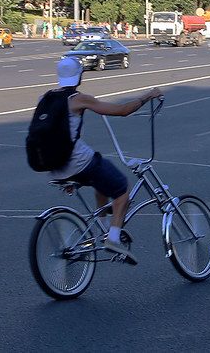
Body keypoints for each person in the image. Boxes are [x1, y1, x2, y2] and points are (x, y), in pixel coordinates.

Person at [45, 57, 162, 265]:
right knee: (122, 190)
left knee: (101, 174)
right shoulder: (78, 99)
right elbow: (122, 111)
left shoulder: (45, 98)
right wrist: (148, 96)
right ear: (79, 75)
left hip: (53, 164)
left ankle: (102, 227)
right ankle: (113, 238)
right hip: (76, 161)